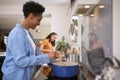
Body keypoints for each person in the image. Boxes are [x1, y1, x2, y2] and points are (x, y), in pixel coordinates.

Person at [1, 1, 57, 80]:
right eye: (38, 20)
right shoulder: (17, 33)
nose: (39, 23)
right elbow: (21, 61)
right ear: (31, 16)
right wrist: (46, 56)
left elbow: (36, 54)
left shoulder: (28, 35)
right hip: (16, 77)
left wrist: (52, 59)